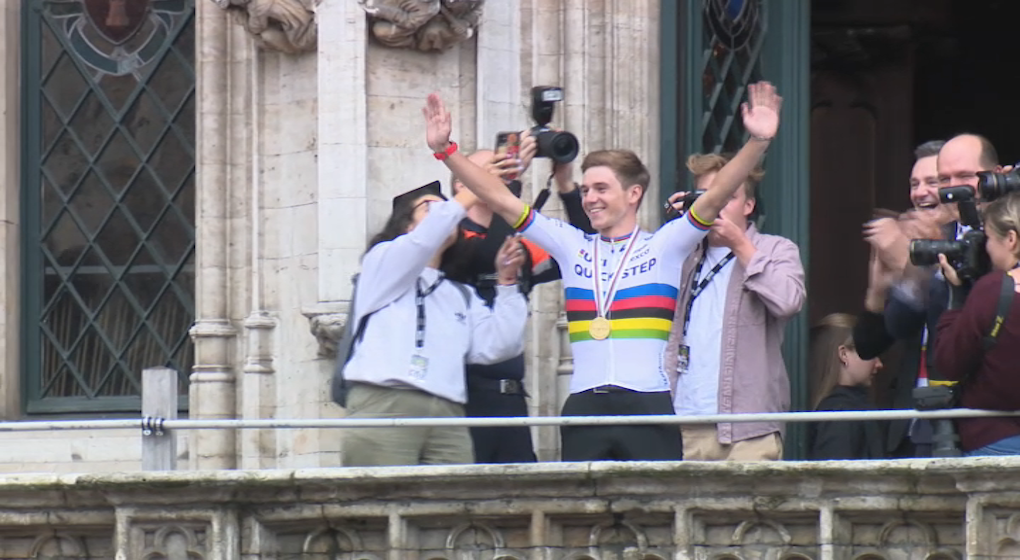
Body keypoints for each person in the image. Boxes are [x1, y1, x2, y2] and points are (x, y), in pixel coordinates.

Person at [422, 82, 783, 461]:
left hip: (649, 406)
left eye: (601, 189)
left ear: (633, 194)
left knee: (655, 501)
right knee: (578, 502)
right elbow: (499, 198)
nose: (590, 198)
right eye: (586, 190)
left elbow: (717, 194)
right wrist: (446, 151)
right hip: (584, 406)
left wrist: (757, 141)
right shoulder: (570, 244)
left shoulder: (665, 245)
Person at [339, 180, 529, 466]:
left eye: (446, 209)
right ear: (407, 225)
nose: (444, 214)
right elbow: (423, 240)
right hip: (386, 403)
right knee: (381, 492)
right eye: (429, 207)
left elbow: (500, 345)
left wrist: (507, 282)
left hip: (447, 412)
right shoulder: (382, 264)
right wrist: (476, 186)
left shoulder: (460, 294)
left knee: (450, 494)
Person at [450, 141, 592, 463]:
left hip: (511, 399)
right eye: (489, 170)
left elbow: (582, 253)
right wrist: (508, 189)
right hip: (462, 397)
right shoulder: (449, 238)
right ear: (461, 183)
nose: (499, 174)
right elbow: (481, 256)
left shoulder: (517, 242)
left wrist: (566, 186)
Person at [663, 153, 805, 461]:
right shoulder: (680, 253)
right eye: (706, 196)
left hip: (747, 429)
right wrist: (674, 230)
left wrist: (740, 245)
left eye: (726, 196)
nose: (715, 205)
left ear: (749, 205)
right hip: (681, 424)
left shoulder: (775, 249)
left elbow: (789, 302)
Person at [934, 191, 1020, 456]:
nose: (987, 250)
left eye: (989, 239)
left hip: (997, 439)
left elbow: (949, 363)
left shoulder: (994, 289)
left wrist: (957, 298)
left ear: (1011, 239)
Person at [806, 313, 886, 460]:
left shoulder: (840, 410)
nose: (879, 364)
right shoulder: (839, 415)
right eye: (870, 352)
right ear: (844, 354)